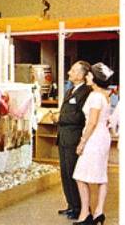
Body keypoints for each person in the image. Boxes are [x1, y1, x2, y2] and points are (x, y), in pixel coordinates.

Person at [72, 63, 114, 225]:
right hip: (103, 137)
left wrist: (82, 142)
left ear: (95, 79)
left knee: (79, 176)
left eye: (89, 75)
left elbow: (92, 122)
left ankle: (85, 215)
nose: (87, 77)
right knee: (101, 176)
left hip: (94, 138)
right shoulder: (105, 95)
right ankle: (99, 212)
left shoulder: (95, 96)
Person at [52, 61, 91, 220]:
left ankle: (79, 207)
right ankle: (71, 204)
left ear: (82, 74)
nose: (69, 72)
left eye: (73, 70)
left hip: (73, 137)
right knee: (65, 172)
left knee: (74, 172)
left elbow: (80, 116)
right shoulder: (70, 91)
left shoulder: (86, 92)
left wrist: (59, 117)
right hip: (63, 137)